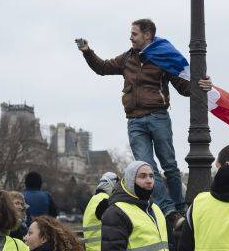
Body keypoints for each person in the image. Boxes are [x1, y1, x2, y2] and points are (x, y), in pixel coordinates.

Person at [76, 18, 212, 226]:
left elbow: (181, 86)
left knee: (170, 166)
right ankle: (168, 211)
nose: (130, 37)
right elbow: (102, 67)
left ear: (147, 35)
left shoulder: (162, 57)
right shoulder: (127, 58)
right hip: (135, 121)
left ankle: (180, 207)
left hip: (158, 117)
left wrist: (200, 84)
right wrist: (87, 51)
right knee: (147, 168)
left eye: (134, 33)